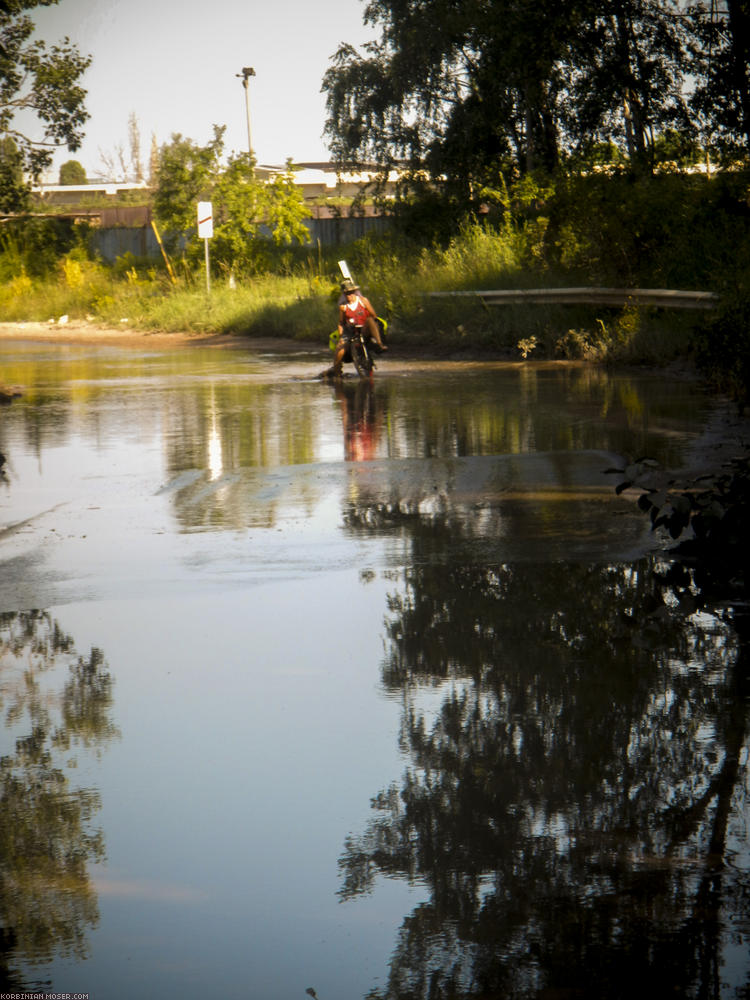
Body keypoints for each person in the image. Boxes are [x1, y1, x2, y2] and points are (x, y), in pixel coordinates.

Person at [329, 280, 387, 376]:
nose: (350, 295)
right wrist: (341, 336)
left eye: (351, 292)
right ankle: (337, 371)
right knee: (340, 348)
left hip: (364, 328)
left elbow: (374, 315)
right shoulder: (343, 307)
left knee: (370, 320)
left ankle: (380, 344)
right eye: (347, 293)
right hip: (351, 331)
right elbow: (341, 323)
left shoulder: (363, 301)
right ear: (344, 294)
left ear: (355, 292)